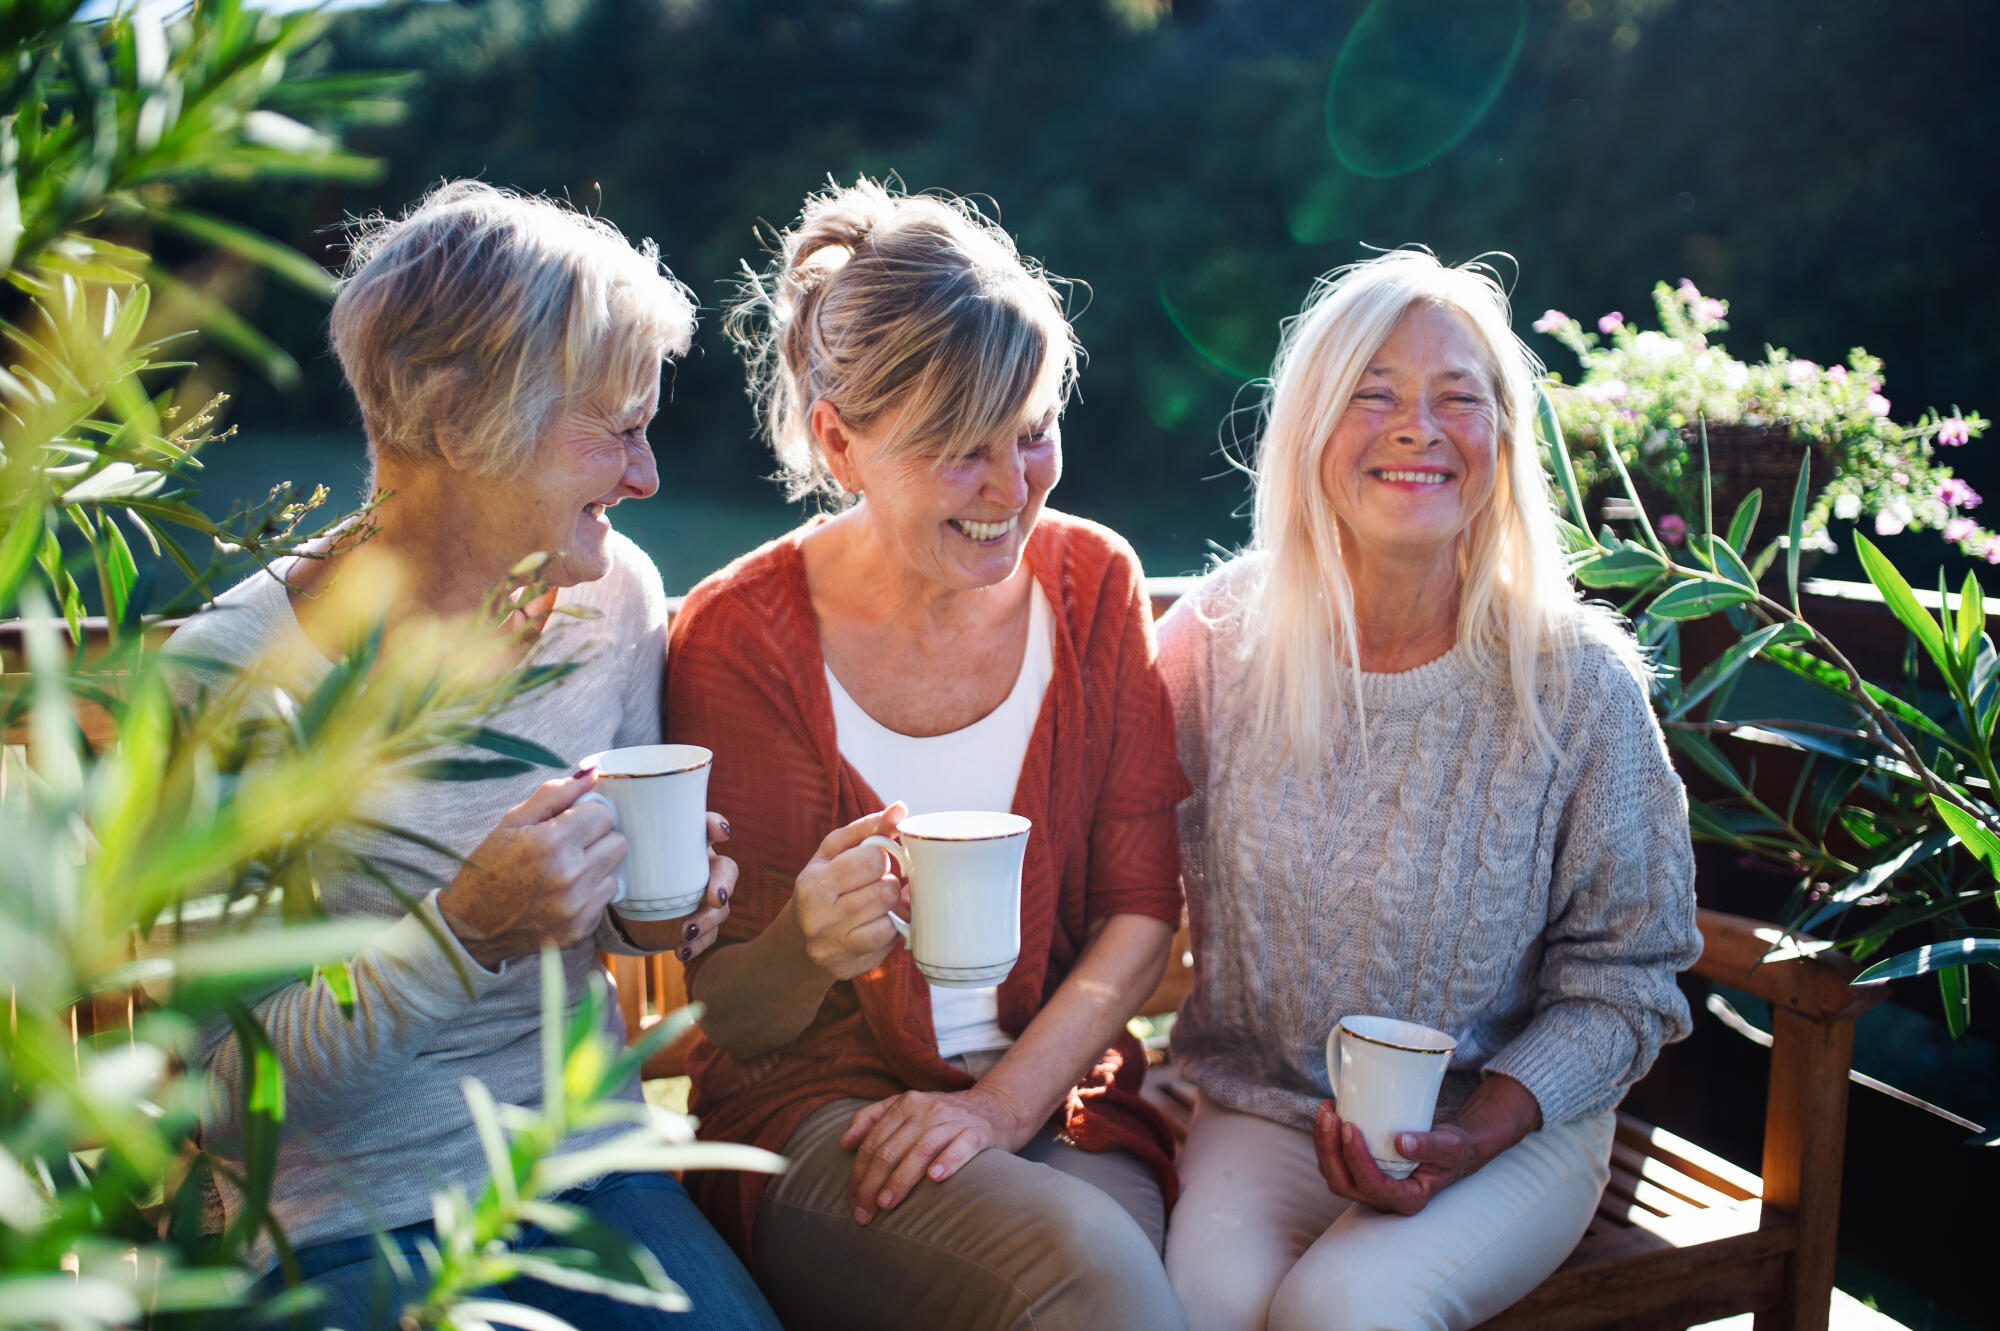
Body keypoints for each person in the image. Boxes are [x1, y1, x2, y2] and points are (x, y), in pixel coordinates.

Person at [166, 182, 780, 1331]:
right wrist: (461, 933)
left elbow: (617, 930)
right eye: (615, 428)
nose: (646, 476)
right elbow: (228, 1102)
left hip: (580, 1167)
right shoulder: (232, 680)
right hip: (332, 1222)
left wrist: (660, 907)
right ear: (452, 421)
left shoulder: (612, 598)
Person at [664, 178, 1190, 1331]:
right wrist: (805, 942)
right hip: (815, 1120)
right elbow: (736, 1019)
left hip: (1055, 1104)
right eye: (962, 450)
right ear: (838, 440)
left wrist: (1000, 1107)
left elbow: (1139, 917)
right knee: (1091, 1280)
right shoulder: (739, 637)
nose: (1012, 490)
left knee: (1129, 1282)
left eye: (1034, 431)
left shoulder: (1094, 583)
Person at [1157, 249, 1702, 1331]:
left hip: (1512, 1126)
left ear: (1502, 443)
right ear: (1309, 426)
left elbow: (1629, 977)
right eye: (1373, 393)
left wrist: (1478, 1131)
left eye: (1458, 397)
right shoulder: (1217, 639)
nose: (1418, 426)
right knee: (1193, 1309)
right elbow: (1102, 860)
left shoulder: (1577, 683)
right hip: (1260, 1104)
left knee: (1342, 1309)